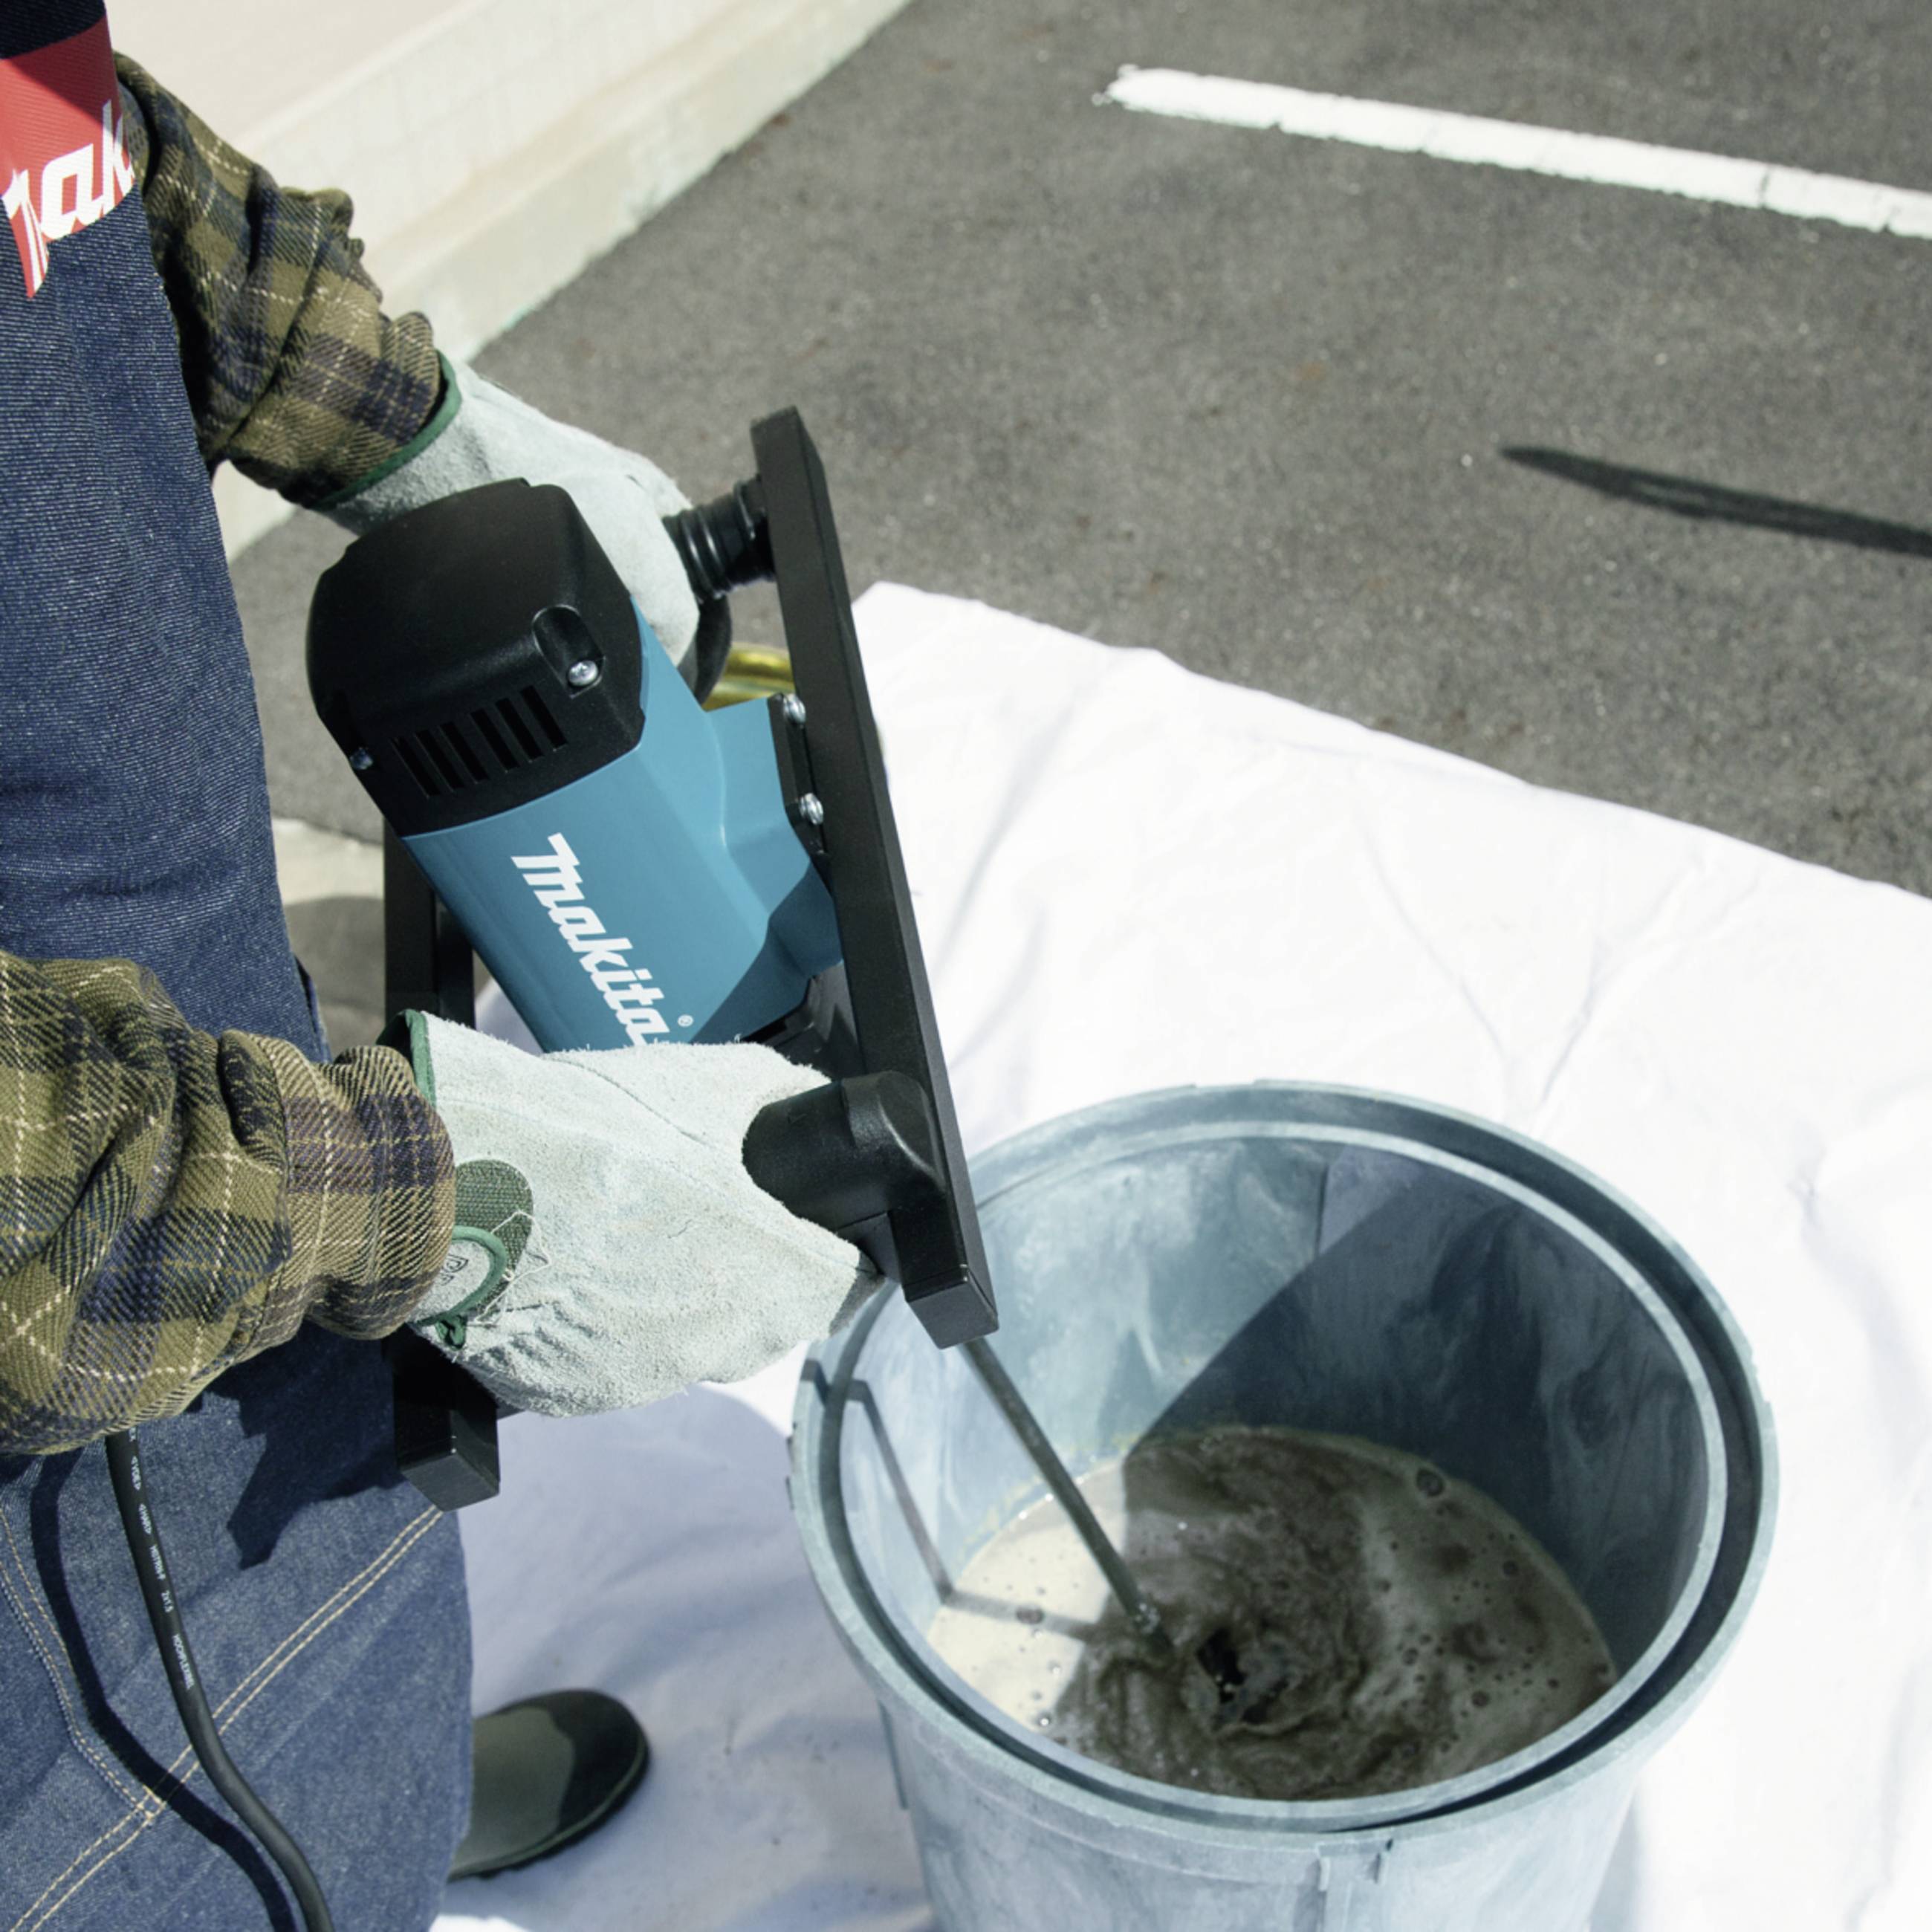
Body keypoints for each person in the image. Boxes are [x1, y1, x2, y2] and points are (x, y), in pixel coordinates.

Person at [0, 8, 871, 1926]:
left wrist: (404, 418)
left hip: (183, 1035)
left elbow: (47, 138)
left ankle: (337, 1782)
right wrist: (447, 1199)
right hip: (49, 1289)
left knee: (312, 1530)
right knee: (103, 1781)